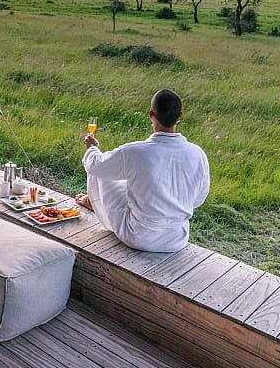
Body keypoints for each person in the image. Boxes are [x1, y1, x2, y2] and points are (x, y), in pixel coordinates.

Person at [75, 89, 209, 252]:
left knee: (102, 169)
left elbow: (95, 165)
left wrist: (93, 149)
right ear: (180, 116)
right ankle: (99, 204)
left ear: (151, 114)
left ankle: (97, 204)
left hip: (138, 236)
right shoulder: (197, 153)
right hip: (176, 238)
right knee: (133, 179)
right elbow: (199, 198)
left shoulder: (136, 152)